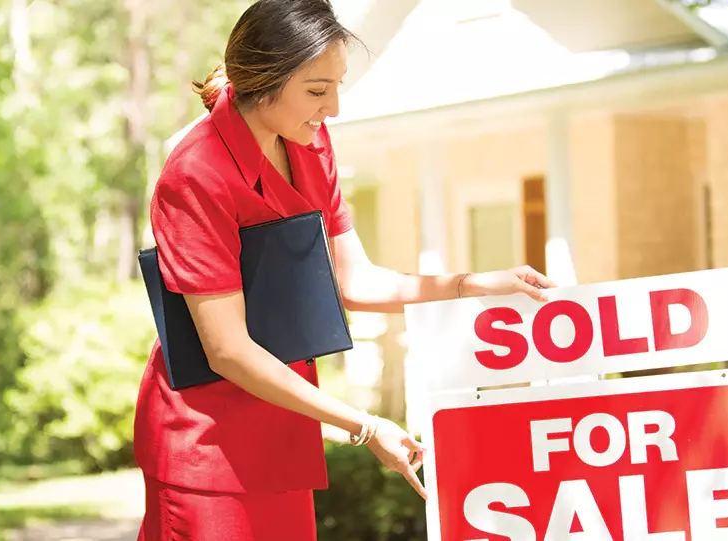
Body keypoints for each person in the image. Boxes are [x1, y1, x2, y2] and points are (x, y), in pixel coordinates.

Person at [133, 0, 555, 539]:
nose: (332, 107)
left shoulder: (312, 144)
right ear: (264, 78)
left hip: (284, 436)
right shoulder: (196, 173)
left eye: (337, 86)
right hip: (206, 450)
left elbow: (355, 282)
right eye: (316, 90)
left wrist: (472, 286)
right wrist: (365, 425)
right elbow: (228, 349)